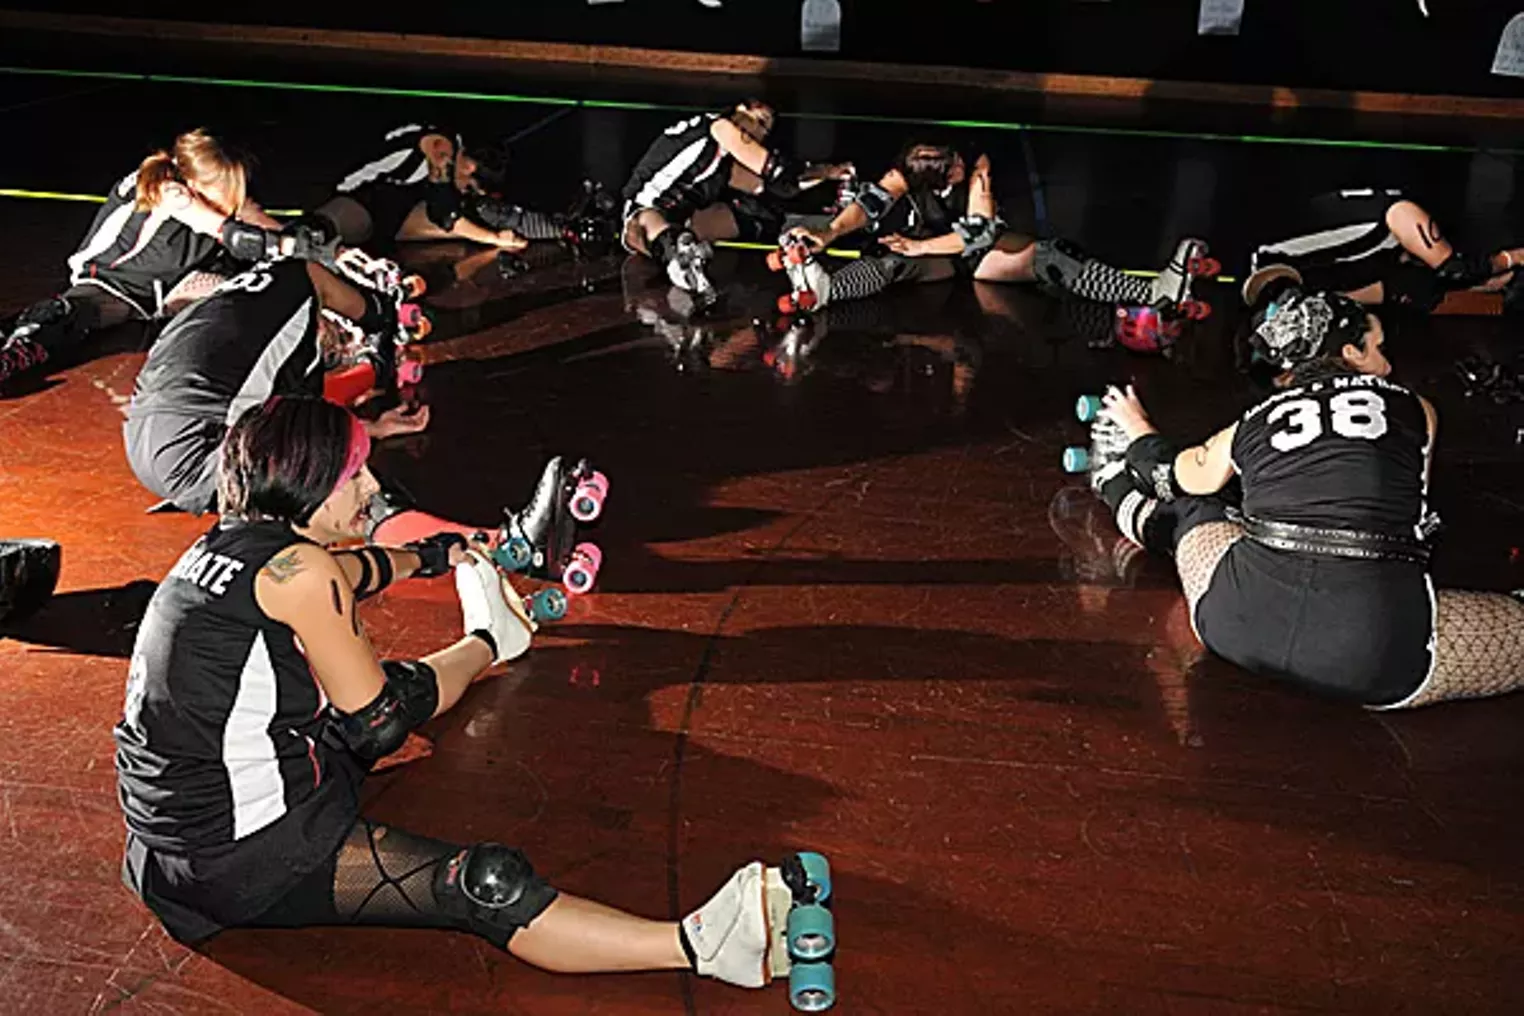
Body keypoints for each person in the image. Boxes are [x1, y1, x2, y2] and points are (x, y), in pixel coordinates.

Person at [114, 395, 796, 993]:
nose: (371, 488)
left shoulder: (237, 546)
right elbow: (377, 725)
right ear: (312, 485)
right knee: (486, 882)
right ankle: (702, 947)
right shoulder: (303, 573)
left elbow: (350, 570)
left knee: (379, 695)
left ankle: (492, 639)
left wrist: (437, 554)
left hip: (174, 844)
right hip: (241, 860)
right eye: (357, 475)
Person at [1081, 287, 1524, 707]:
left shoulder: (1254, 419)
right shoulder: (1414, 407)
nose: (1386, 364)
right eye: (1377, 348)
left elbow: (1169, 476)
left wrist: (1138, 429)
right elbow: (1414, 516)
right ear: (1350, 354)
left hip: (1235, 627)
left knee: (1197, 509)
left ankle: (1111, 481)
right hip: (1370, 655)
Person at [120, 258, 580, 583]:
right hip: (199, 447)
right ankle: (512, 547)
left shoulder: (235, 310)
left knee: (327, 458)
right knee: (348, 489)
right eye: (339, 339)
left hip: (149, 444)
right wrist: (378, 317)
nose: (337, 348)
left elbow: (286, 412)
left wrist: (372, 428)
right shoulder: (293, 290)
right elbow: (314, 277)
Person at [783, 143, 1211, 342]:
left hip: (973, 252)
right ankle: (826, 291)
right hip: (937, 255)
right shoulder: (907, 170)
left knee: (1054, 257)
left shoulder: (976, 168)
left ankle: (1153, 292)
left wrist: (922, 248)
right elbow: (870, 204)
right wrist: (830, 232)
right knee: (889, 256)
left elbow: (978, 233)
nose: (957, 173)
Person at [0, 129, 304, 387]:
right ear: (195, 182)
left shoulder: (209, 193)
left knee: (250, 290)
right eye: (227, 188)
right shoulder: (166, 188)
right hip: (111, 283)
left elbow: (255, 217)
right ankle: (21, 347)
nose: (233, 197)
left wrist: (324, 251)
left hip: (167, 290)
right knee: (73, 315)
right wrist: (281, 245)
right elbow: (223, 229)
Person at [620, 100, 852, 301]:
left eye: (765, 131)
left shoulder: (725, 162)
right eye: (760, 121)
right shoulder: (719, 127)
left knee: (760, 217)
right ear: (741, 109)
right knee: (648, 225)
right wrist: (819, 171)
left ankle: (682, 251)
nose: (760, 134)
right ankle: (677, 256)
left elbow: (777, 185)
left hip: (686, 218)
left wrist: (829, 173)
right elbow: (775, 170)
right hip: (644, 209)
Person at [1242, 188, 1524, 313]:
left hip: (1477, 228)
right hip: (1286, 271)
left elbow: (1452, 270)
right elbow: (1392, 290)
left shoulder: (1386, 222)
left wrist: (1505, 265)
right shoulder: (1395, 219)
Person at [313, 124, 544, 254]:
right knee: (330, 228)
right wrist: (494, 238)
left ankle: (551, 225)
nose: (466, 191)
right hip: (352, 199)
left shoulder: (451, 147)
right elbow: (445, 216)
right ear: (469, 167)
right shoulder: (440, 155)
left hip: (391, 210)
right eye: (470, 187)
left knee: (470, 219)